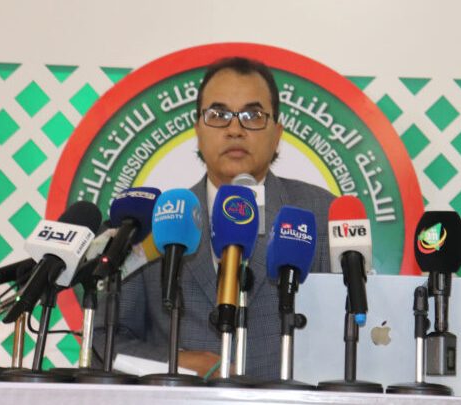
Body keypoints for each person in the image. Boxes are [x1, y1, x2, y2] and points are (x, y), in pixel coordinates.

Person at [93, 57, 335, 380]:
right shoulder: (157, 220)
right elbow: (105, 339)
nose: (235, 130)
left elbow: (348, 330)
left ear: (277, 133)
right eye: (219, 115)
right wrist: (178, 363)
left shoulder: (319, 212)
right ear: (198, 129)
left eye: (252, 116)